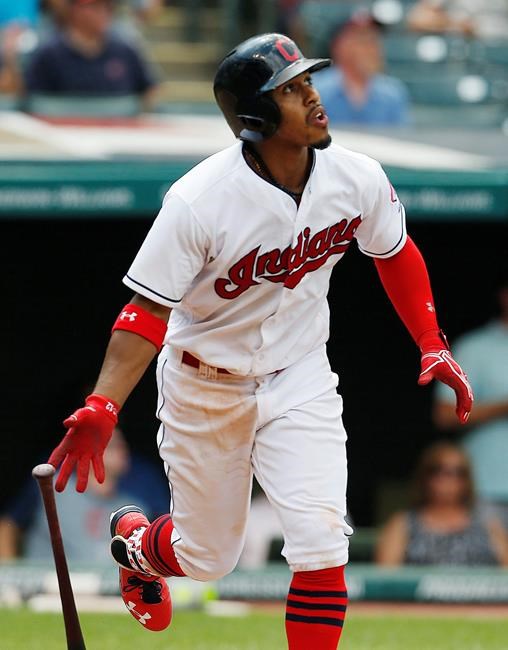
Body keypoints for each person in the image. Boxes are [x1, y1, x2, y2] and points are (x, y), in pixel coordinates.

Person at [46, 33, 472, 648]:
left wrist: (432, 340)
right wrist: (104, 404)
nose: (313, 98)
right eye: (292, 91)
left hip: (300, 372)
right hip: (205, 381)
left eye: (308, 83)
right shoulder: (197, 201)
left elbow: (395, 250)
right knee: (210, 557)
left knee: (323, 542)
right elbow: (144, 313)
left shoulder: (357, 177)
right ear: (256, 117)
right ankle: (140, 546)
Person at [0, 429, 152, 564]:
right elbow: (7, 526)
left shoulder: (134, 508)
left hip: (101, 591)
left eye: (122, 445)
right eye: (111, 445)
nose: (121, 450)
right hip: (43, 588)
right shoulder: (54, 486)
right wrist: (11, 576)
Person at [434, 271, 508, 529]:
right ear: (503, 296)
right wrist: (502, 406)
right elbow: (444, 414)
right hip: (485, 487)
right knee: (482, 570)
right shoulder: (475, 347)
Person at [375, 442, 508, 566]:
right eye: (438, 470)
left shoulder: (487, 524)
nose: (447, 479)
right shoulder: (403, 524)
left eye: (458, 472)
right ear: (424, 476)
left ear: (467, 480)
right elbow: (385, 578)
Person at [24, 0, 157, 101]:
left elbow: (150, 89)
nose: (104, 12)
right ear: (75, 9)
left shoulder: (125, 50)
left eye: (107, 7)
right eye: (95, 6)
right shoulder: (50, 54)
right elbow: (29, 96)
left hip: (115, 129)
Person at [313, 11, 410, 126]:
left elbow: (399, 139)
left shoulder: (393, 93)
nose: (372, 48)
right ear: (339, 46)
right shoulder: (314, 90)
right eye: (362, 40)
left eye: (374, 39)